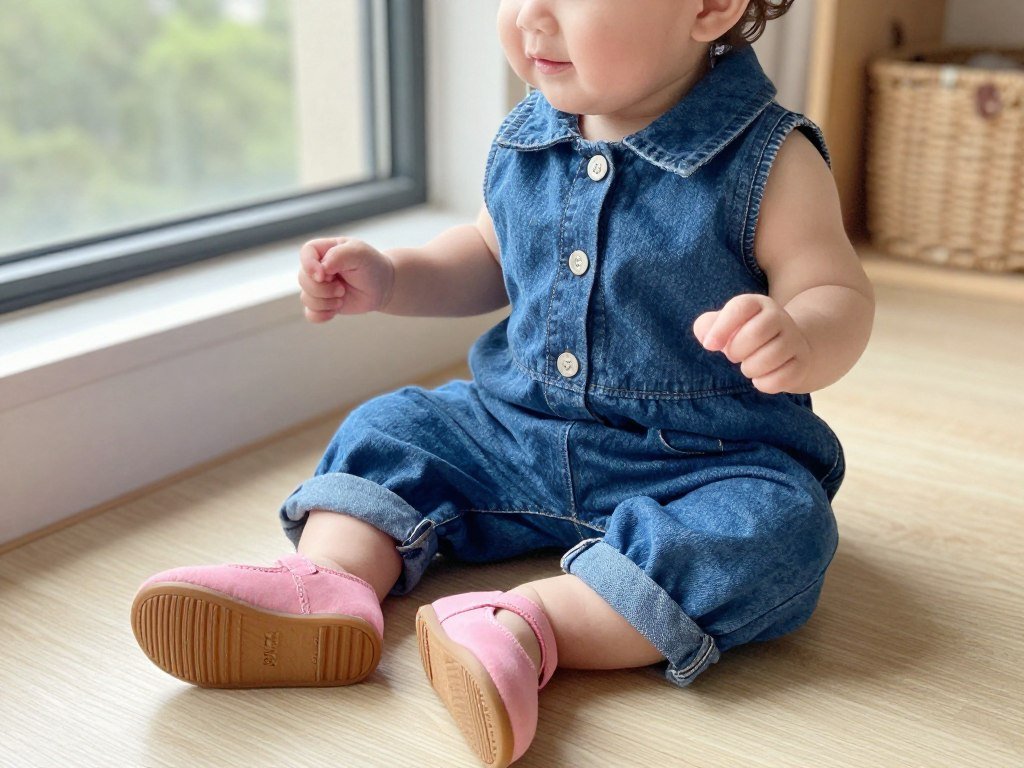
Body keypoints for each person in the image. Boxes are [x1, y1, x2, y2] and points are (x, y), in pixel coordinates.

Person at [130, 1, 875, 766]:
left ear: (710, 6)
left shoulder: (771, 160)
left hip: (702, 459)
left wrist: (801, 334)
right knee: (393, 428)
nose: (529, 17)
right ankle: (327, 583)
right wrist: (393, 277)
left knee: (783, 528)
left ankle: (525, 627)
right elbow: (488, 256)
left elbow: (836, 291)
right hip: (514, 429)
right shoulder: (529, 135)